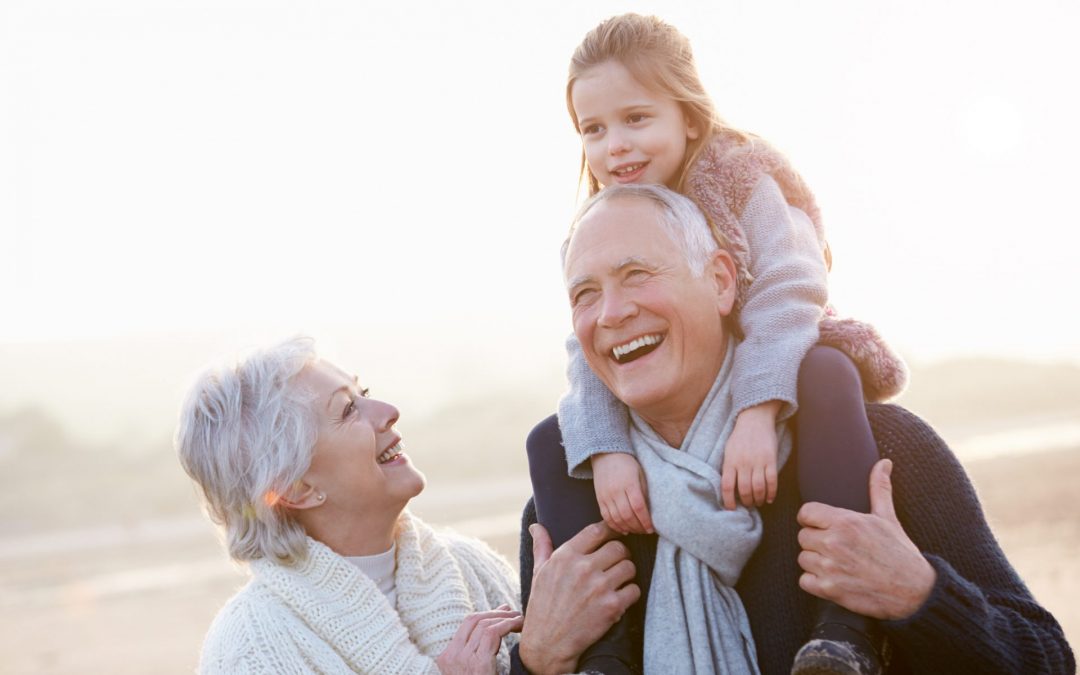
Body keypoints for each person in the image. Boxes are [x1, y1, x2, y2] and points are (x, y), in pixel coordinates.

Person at [522, 185, 1074, 674]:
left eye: (636, 274)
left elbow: (1047, 660)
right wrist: (538, 661)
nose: (612, 312)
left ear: (720, 280)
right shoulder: (570, 507)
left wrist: (919, 595)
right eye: (584, 294)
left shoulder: (880, 450)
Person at [542, 12, 906, 673]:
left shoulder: (740, 176)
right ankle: (604, 652)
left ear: (687, 114)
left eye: (635, 119)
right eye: (593, 130)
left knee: (827, 372)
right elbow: (587, 348)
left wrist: (756, 411)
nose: (614, 145)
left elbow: (790, 291)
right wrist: (609, 450)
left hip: (777, 356)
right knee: (552, 439)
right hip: (673, 394)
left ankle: (845, 630)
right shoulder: (597, 223)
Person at [175, 337, 640, 674]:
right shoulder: (250, 648)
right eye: (347, 410)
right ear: (295, 489)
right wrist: (535, 660)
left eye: (366, 394)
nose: (387, 411)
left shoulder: (470, 565)